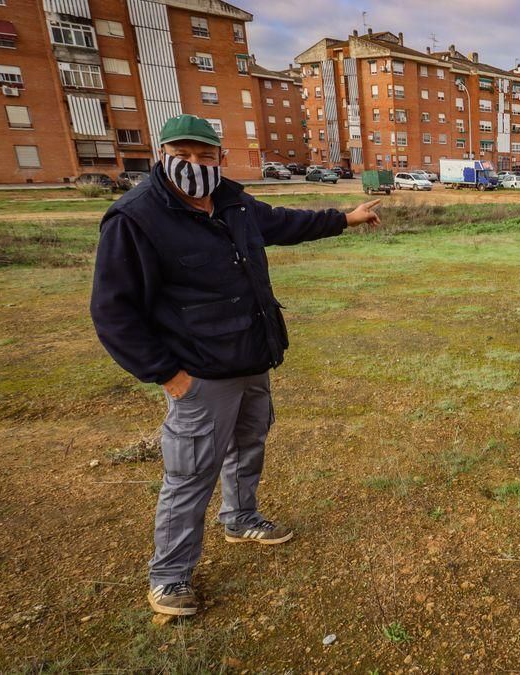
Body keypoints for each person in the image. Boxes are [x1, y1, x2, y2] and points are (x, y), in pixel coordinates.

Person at [90, 114, 381, 616]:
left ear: (219, 158)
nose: (196, 164)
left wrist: (346, 218)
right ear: (162, 154)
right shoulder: (135, 217)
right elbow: (113, 311)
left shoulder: (233, 201)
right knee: (190, 474)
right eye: (184, 154)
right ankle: (169, 577)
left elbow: (285, 222)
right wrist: (169, 376)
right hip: (199, 374)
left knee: (250, 443)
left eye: (206, 155)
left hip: (251, 356)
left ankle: (241, 518)